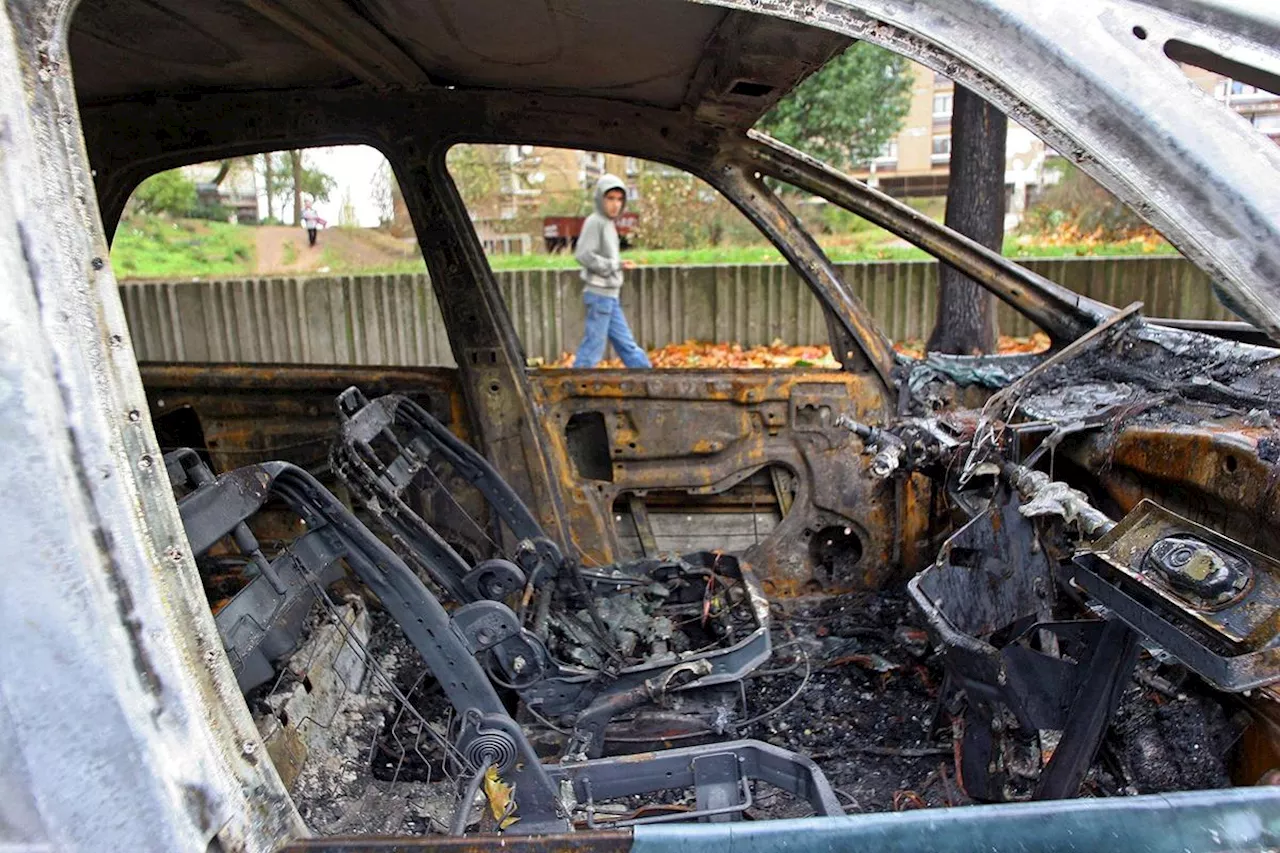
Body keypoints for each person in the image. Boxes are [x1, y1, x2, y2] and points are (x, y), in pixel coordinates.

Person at [572, 174, 652, 368]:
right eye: (610, 198)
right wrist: (614, 265)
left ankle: (650, 379)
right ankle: (576, 388)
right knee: (592, 349)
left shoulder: (607, 223)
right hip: (600, 295)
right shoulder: (595, 222)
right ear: (600, 198)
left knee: (627, 346)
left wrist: (619, 264)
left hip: (609, 296)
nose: (615, 204)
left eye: (619, 199)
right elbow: (583, 255)